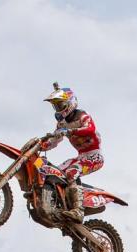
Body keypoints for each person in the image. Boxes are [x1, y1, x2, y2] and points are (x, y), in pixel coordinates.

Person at [40, 83, 103, 221]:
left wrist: (71, 130)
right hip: (81, 157)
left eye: (60, 105)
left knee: (71, 172)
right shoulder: (62, 124)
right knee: (53, 171)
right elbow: (54, 141)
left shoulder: (82, 116)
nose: (58, 108)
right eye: (55, 106)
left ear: (70, 102)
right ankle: (59, 203)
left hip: (94, 156)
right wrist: (41, 146)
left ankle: (78, 211)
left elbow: (90, 129)